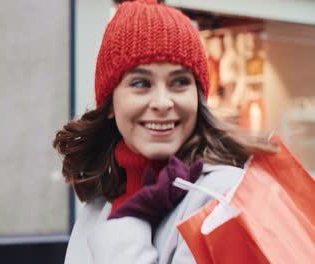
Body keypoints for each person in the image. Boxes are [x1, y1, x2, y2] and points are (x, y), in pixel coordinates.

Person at [53, 0, 277, 263]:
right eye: (141, 83)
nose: (162, 102)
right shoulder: (98, 206)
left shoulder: (224, 195)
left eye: (180, 83)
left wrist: (128, 218)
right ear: (111, 104)